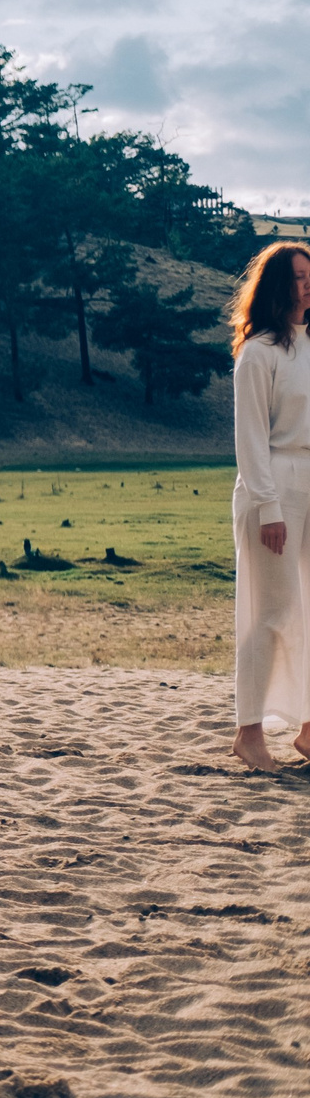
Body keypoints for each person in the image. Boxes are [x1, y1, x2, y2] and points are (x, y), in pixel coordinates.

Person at [229, 241, 310, 772]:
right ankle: (249, 734)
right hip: (273, 490)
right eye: (300, 277)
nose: (308, 284)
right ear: (279, 285)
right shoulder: (258, 352)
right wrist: (268, 506)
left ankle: (308, 730)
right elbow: (252, 438)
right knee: (271, 612)